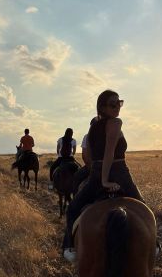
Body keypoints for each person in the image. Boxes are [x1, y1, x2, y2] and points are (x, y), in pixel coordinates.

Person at [62, 90, 145, 263]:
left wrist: (97, 175)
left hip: (95, 173)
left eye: (119, 103)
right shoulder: (116, 123)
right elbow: (109, 153)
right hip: (118, 172)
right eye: (113, 104)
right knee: (143, 208)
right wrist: (106, 180)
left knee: (74, 207)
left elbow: (91, 155)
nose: (117, 108)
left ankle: (69, 247)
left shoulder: (93, 127)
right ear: (102, 107)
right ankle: (154, 245)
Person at [72, 118, 96, 194]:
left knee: (76, 177)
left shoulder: (87, 136)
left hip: (92, 166)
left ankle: (74, 201)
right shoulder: (109, 134)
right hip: (108, 167)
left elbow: (84, 155)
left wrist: (90, 167)